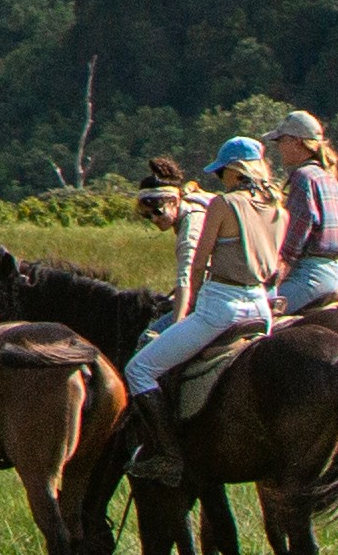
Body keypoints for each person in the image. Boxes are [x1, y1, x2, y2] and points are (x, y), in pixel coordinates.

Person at [124, 134, 291, 476]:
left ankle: (169, 456)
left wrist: (180, 314)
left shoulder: (223, 205)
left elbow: (197, 265)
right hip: (261, 307)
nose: (220, 179)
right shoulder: (278, 210)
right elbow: (276, 268)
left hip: (220, 308)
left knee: (138, 370)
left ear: (235, 171)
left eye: (222, 173)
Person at [267, 111, 338, 314]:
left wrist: (276, 276)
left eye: (281, 140)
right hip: (337, 272)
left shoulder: (303, 177)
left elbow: (295, 239)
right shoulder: (328, 177)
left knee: (256, 312)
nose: (278, 147)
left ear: (296, 141)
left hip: (310, 274)